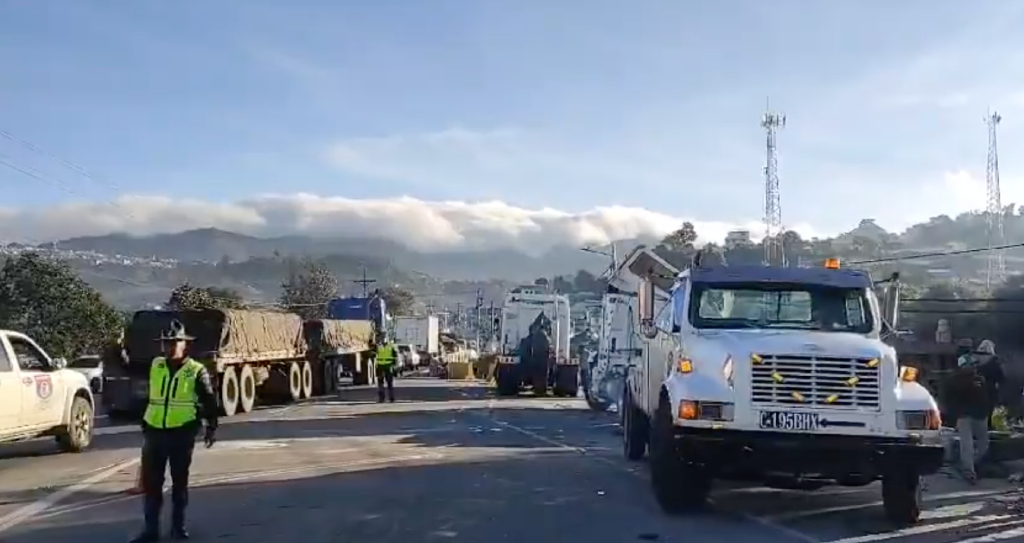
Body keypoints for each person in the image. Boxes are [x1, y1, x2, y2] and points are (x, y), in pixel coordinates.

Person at [131, 320, 219, 543]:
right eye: (166, 343)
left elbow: (209, 400)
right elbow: (132, 371)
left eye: (175, 342)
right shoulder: (156, 365)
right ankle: (151, 531)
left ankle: (177, 528)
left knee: (179, 484)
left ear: (184, 345)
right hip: (154, 433)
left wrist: (211, 427)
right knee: (152, 486)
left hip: (181, 434)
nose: (170, 347)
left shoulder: (196, 371)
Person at [942, 348, 991, 484]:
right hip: (963, 416)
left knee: (983, 445)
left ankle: (969, 464)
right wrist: (952, 414)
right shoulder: (953, 380)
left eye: (974, 365)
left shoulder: (980, 379)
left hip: (980, 415)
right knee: (967, 444)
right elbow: (947, 399)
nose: (973, 367)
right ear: (962, 366)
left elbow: (986, 396)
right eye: (970, 365)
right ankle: (969, 471)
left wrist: (986, 410)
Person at [974, 340, 1005, 429]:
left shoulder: (976, 361)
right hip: (990, 390)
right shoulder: (995, 363)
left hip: (977, 390)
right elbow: (1002, 378)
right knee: (989, 411)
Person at [374, 336, 397, 403]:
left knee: (389, 383)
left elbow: (395, 356)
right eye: (382, 339)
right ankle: (381, 398)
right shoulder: (378, 346)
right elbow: (375, 354)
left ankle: (391, 398)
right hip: (380, 366)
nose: (383, 340)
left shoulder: (391, 346)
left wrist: (394, 366)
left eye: (385, 339)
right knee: (380, 383)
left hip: (388, 366)